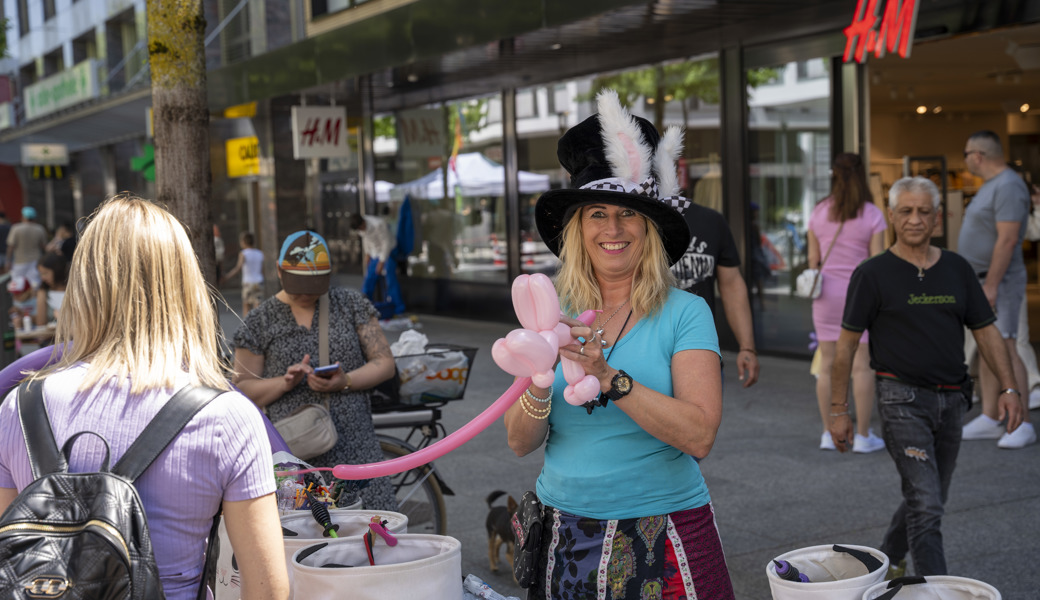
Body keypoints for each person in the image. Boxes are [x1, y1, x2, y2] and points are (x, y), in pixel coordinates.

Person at [0, 194, 289, 600]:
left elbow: (11, 553)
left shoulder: (20, 407)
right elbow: (268, 589)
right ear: (184, 285)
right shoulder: (227, 417)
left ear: (83, 285)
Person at [506, 89, 733, 599]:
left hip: (664, 533)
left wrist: (608, 377)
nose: (613, 228)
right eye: (596, 213)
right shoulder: (550, 311)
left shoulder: (686, 312)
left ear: (649, 229)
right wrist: (540, 376)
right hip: (562, 533)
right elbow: (519, 442)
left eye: (628, 214)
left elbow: (699, 436)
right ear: (577, 229)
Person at [829, 176, 1024, 578]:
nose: (915, 219)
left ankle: (886, 559)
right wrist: (838, 410)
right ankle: (934, 587)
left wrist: (1010, 388)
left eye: (924, 211)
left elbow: (986, 331)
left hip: (953, 399)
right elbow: (845, 347)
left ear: (938, 217)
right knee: (928, 502)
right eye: (906, 211)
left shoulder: (957, 268)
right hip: (900, 400)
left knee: (929, 497)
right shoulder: (872, 273)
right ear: (891, 215)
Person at [231, 230, 398, 510]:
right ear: (279, 271)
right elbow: (242, 389)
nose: (306, 294)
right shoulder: (259, 321)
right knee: (310, 534)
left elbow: (384, 363)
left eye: (314, 286)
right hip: (296, 457)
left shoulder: (351, 305)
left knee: (372, 529)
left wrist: (346, 381)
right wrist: (284, 383)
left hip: (357, 447)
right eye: (298, 286)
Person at [958, 131, 1036, 448]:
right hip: (981, 280)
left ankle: (1023, 424)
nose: (965, 159)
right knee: (988, 346)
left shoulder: (1008, 186)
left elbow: (1008, 239)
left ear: (978, 155)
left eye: (966, 154)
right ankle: (991, 417)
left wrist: (990, 285)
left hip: (999, 281)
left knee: (1007, 347)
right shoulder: (992, 185)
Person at [807, 152, 887, 453]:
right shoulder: (872, 214)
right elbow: (877, 263)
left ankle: (828, 433)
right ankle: (863, 436)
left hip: (826, 296)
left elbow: (813, 260)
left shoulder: (819, 212)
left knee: (827, 365)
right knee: (861, 367)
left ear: (834, 176)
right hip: (859, 295)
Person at [671, 203, 760, 387]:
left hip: (700, 352)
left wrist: (747, 347)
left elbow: (731, 285)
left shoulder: (710, 220)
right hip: (648, 355)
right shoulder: (634, 218)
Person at [349, 213, 406, 316]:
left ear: (363, 223)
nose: (360, 230)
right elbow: (366, 239)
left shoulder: (379, 224)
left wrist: (382, 261)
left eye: (361, 228)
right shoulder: (360, 227)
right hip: (374, 252)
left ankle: (398, 308)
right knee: (369, 279)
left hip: (388, 251)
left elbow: (386, 243)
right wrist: (367, 253)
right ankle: (365, 306)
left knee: (390, 279)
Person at [221, 231, 265, 317]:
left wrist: (227, 277)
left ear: (243, 242)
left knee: (246, 304)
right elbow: (262, 269)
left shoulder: (243, 254)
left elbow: (238, 268)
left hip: (248, 282)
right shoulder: (260, 253)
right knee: (257, 304)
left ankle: (247, 323)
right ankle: (257, 322)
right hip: (259, 281)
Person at [6, 206, 47, 288]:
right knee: (35, 285)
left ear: (23, 216)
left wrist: (8, 261)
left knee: (18, 286)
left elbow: (11, 246)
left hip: (19, 261)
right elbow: (44, 246)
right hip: (35, 261)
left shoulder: (16, 228)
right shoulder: (40, 229)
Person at [34, 252, 67, 326]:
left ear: (57, 270)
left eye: (45, 273)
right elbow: (41, 322)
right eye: (41, 274)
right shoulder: (43, 292)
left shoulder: (73, 289)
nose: (43, 278)